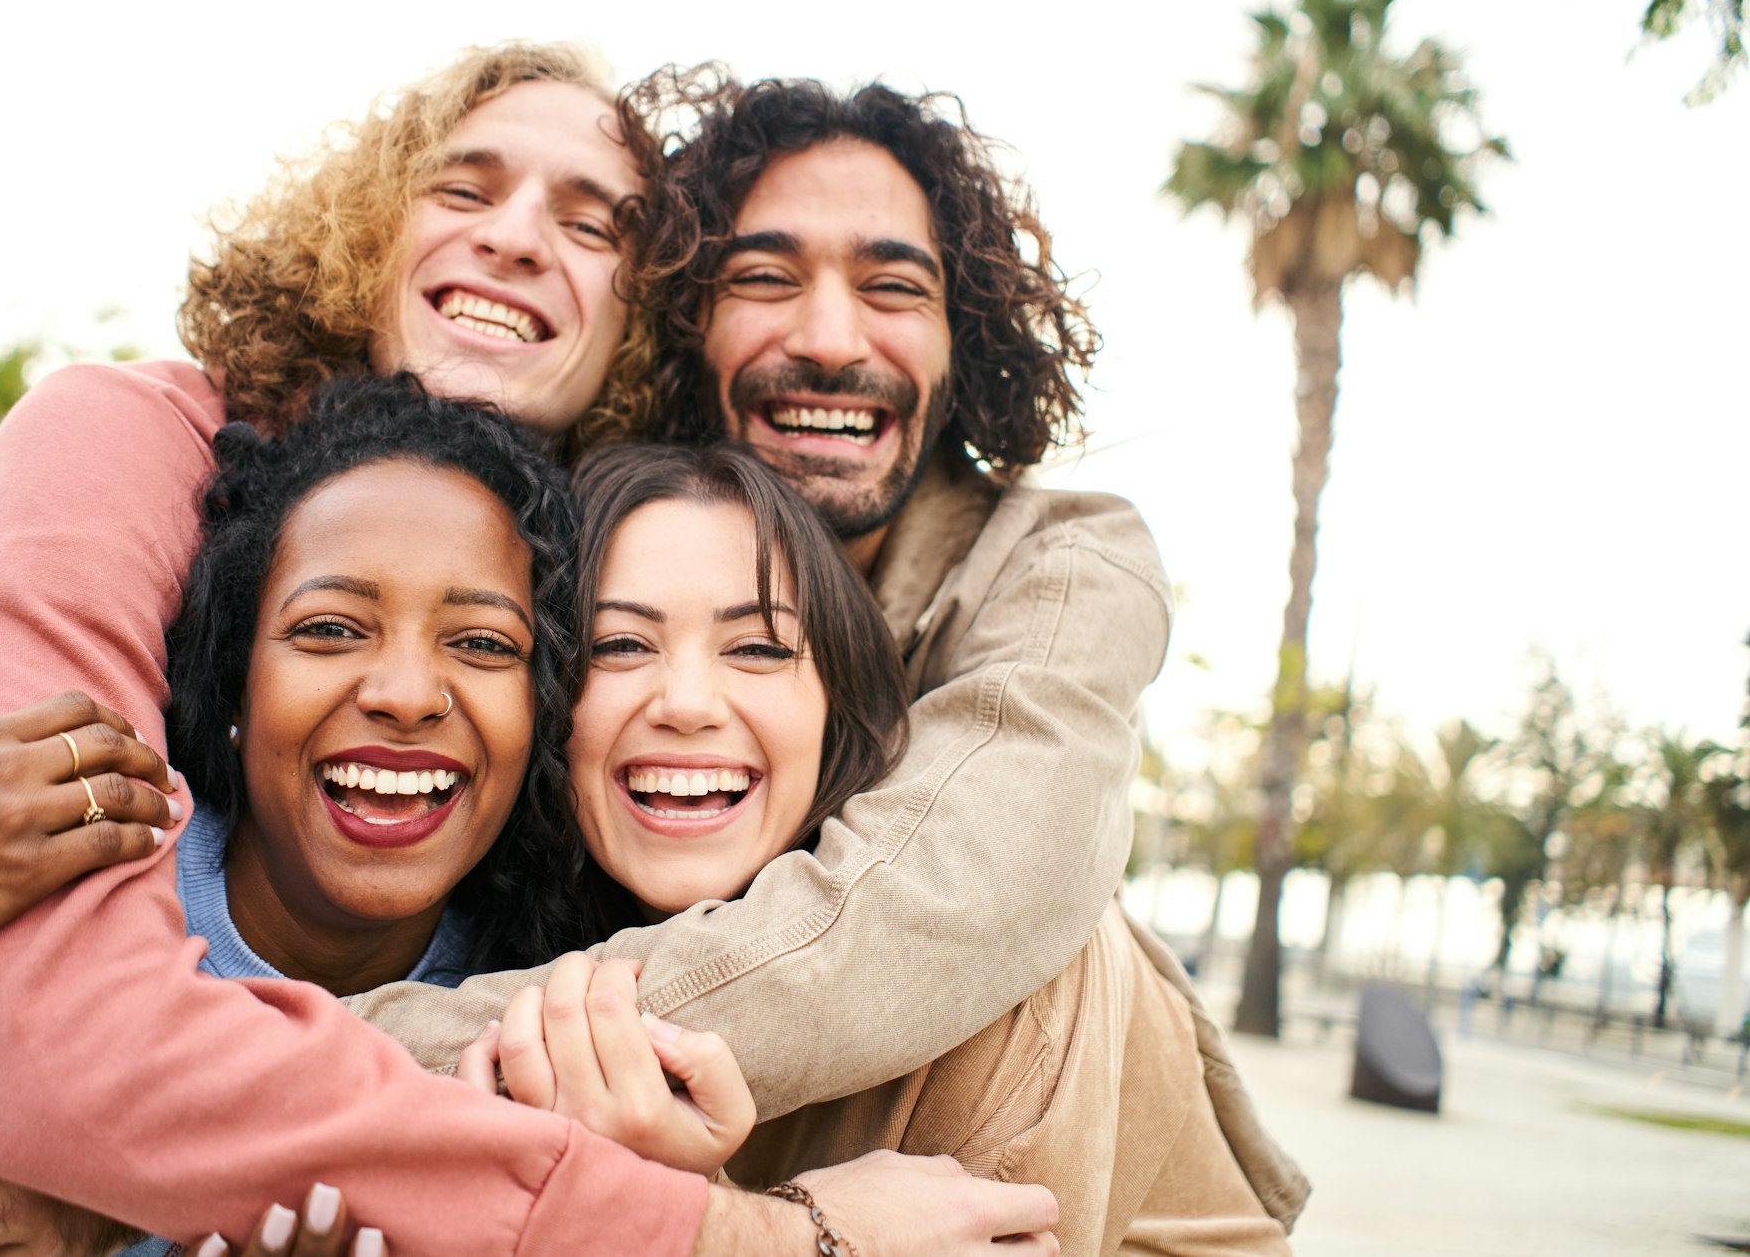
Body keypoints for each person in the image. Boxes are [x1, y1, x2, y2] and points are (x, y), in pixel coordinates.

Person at [0, 379, 1062, 1257]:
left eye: (484, 643)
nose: (402, 692)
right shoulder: (82, 881)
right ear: (224, 687)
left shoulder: (559, 1001)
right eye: (328, 630)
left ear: (544, 715)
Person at [341, 72, 1310, 1230]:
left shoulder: (1060, 565)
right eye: (762, 278)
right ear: (685, 324)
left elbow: (937, 906)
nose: (828, 338)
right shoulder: (599, 530)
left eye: (893, 286)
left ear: (967, 343)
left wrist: (321, 1068)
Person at [454, 440, 1291, 1253]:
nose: (687, 702)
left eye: (756, 647)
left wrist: (749, 1224)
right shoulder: (506, 941)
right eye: (620, 645)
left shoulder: (1004, 1000)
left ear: (836, 711)